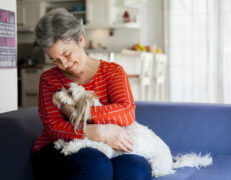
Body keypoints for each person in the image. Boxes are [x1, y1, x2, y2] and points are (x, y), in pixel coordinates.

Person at [31, 8, 152, 180]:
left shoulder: (112, 72)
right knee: (96, 165)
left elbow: (126, 113)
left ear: (81, 39)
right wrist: (97, 131)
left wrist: (77, 113)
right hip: (58, 148)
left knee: (136, 169)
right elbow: (53, 127)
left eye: (67, 54)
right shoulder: (49, 79)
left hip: (108, 146)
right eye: (55, 59)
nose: (64, 64)